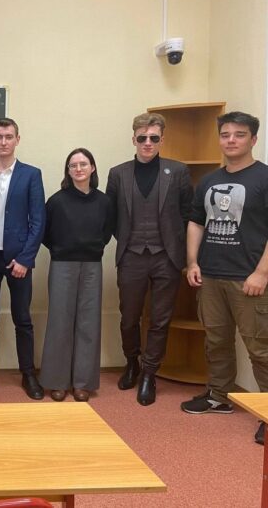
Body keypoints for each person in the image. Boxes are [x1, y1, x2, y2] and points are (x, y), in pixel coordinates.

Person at [180, 111, 268, 445]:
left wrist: (262, 272)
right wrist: (192, 262)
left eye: (239, 134)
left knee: (260, 349)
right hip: (211, 275)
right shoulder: (209, 181)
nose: (231, 140)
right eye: (225, 134)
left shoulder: (264, 177)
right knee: (216, 341)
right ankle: (219, 395)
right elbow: (196, 222)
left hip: (249, 279)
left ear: (253, 139)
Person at [106, 113, 192, 406]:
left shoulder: (178, 171)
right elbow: (111, 216)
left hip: (166, 257)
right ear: (133, 139)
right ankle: (132, 362)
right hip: (131, 255)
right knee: (129, 317)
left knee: (160, 319)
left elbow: (187, 213)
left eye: (154, 138)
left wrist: (177, 248)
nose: (147, 143)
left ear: (162, 140)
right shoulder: (118, 174)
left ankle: (149, 374)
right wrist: (128, 241)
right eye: (142, 138)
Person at [0, 118, 45, 399]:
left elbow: (38, 220)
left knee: (22, 318)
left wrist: (26, 258)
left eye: (9, 136)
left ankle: (28, 373)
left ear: (17, 140)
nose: (4, 141)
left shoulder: (31, 174)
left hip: (19, 259)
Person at [40, 148, 114, 402]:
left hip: (92, 265)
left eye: (83, 164)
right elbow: (45, 234)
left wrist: (92, 249)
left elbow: (107, 232)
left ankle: (83, 382)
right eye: (73, 165)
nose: (79, 169)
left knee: (88, 323)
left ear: (92, 168)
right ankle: (57, 381)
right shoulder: (57, 201)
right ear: (68, 171)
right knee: (59, 322)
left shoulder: (104, 202)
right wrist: (62, 250)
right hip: (62, 265)